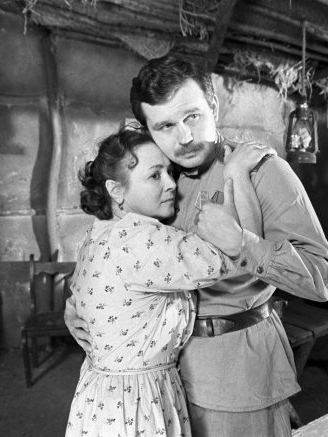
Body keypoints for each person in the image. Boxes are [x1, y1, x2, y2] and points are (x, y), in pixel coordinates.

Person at [65, 55, 328, 436]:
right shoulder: (153, 177)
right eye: (165, 126)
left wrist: (245, 245)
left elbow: (325, 278)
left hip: (235, 376)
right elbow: (111, 251)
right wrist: (80, 310)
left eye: (192, 116)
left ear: (213, 106)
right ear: (147, 129)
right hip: (158, 384)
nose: (183, 137)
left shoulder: (263, 172)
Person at [65, 129, 267, 436]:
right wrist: (237, 173)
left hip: (99, 396)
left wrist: (71, 312)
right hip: (137, 402)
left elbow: (83, 294)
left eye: (170, 172)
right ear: (116, 190)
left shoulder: (97, 232)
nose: (172, 184)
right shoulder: (140, 239)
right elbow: (241, 249)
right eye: (154, 175)